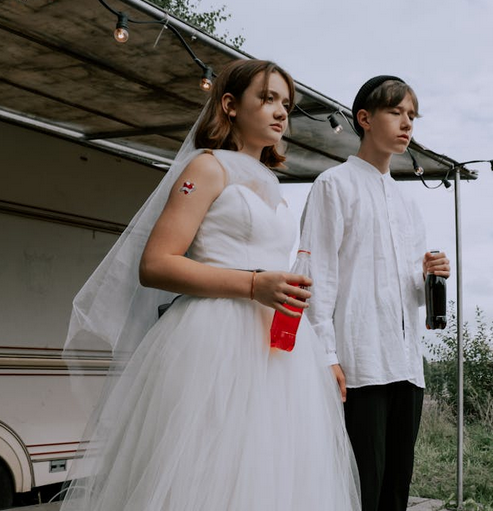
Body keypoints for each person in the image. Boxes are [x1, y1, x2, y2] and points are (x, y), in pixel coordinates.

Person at [60, 59, 360, 511]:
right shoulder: (206, 168)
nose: (281, 112)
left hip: (276, 350)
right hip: (213, 341)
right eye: (267, 98)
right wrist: (254, 284)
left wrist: (282, 287)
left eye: (286, 103)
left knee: (266, 473)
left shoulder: (272, 182)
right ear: (230, 105)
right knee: (203, 473)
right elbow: (155, 264)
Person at [299, 75, 451, 511]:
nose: (407, 123)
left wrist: (427, 276)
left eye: (412, 115)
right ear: (364, 119)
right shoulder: (334, 185)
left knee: (396, 487)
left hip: (407, 365)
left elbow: (408, 295)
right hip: (358, 363)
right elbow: (317, 277)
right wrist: (327, 355)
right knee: (358, 486)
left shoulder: (408, 203)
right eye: (395, 112)